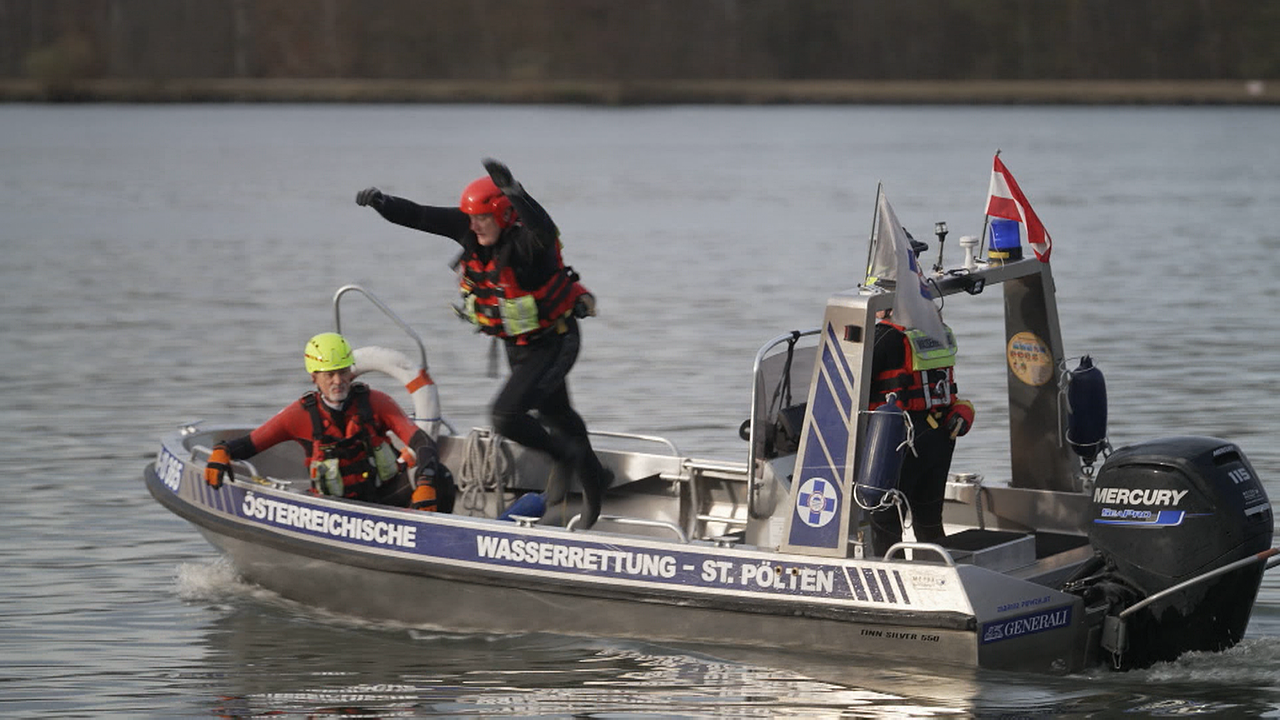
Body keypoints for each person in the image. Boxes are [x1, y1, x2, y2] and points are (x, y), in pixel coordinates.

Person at [354, 158, 610, 528]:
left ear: (503, 214)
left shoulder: (528, 243)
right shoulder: (470, 229)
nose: (473, 226)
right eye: (471, 218)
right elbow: (419, 215)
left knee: (506, 415)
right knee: (556, 414)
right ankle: (595, 478)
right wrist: (382, 202)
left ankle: (570, 462)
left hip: (555, 341)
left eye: (483, 218)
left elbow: (544, 229)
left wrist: (515, 193)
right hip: (518, 345)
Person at [203, 332, 454, 512]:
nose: (338, 381)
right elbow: (250, 444)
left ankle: (431, 542)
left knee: (440, 476)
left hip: (382, 498)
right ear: (314, 377)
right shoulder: (298, 415)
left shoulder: (376, 402)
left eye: (343, 372)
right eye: (330, 374)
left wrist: (426, 481)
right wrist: (222, 451)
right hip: (332, 512)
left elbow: (421, 442)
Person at [866, 308, 974, 555]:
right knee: (929, 518)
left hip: (898, 438)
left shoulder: (884, 337)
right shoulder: (937, 333)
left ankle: (891, 572)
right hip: (940, 435)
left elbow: (850, 384)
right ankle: (936, 570)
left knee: (885, 518)